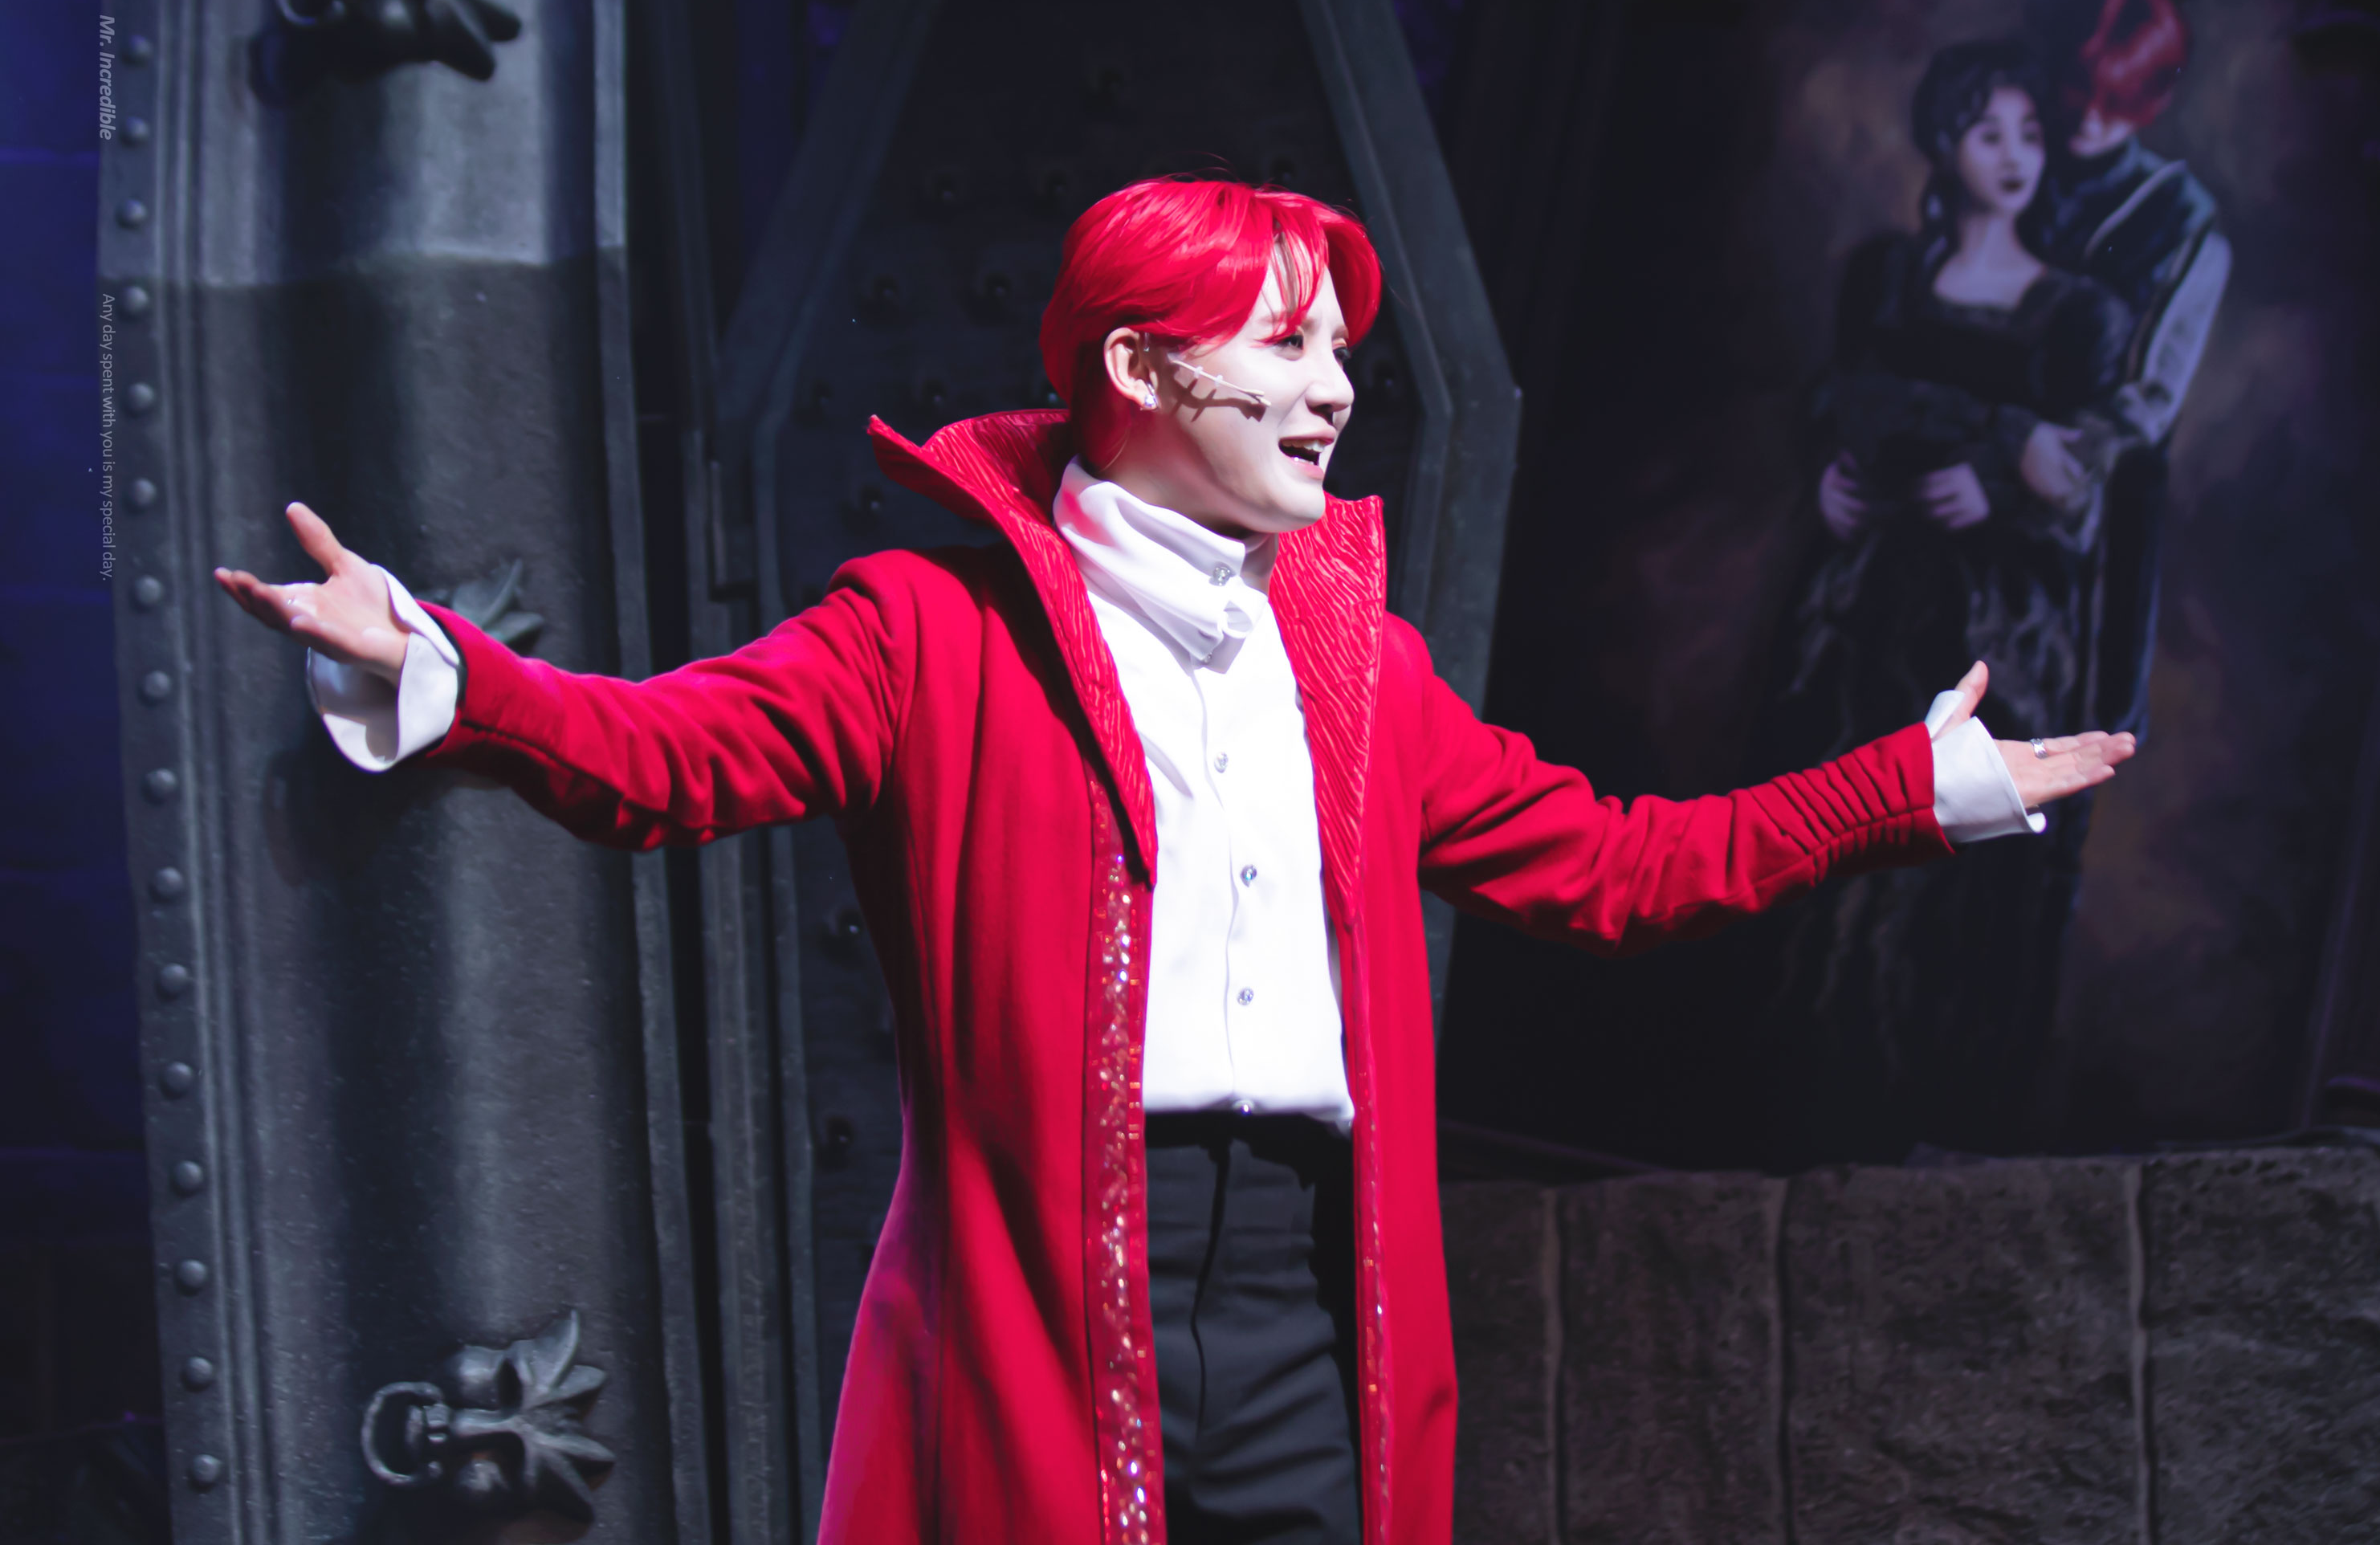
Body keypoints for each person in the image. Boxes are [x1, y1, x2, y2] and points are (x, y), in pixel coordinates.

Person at [215, 177, 2133, 1544]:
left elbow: (1619, 868)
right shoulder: (926, 630)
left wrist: (1904, 788)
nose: (1332, 390)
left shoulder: (1360, 669)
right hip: (1054, 1291)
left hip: (1312, 1290)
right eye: (1283, 345)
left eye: (1340, 350)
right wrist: (449, 671)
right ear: (1137, 364)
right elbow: (671, 756)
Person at [1761, 43, 2138, 1159]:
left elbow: (2086, 483)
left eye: (2031, 134)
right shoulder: (1885, 276)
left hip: (1992, 629)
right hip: (1863, 606)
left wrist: (2001, 486)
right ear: (1944, 143)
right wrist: (1828, 478)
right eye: (1989, 133)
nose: (2016, 156)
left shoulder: (2080, 315)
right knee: (1823, 822)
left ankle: (1905, 1128)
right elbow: (1836, 402)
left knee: (1947, 871)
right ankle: (1789, 1099)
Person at [2019, 0, 2229, 740]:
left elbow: (2150, 398)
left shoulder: (2183, 219)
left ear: (2148, 102)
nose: (2088, 116)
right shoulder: (2018, 154)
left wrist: (2039, 457)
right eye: (2081, 89)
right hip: (1973, 456)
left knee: (2059, 719)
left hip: (2094, 496)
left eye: (2115, 101)